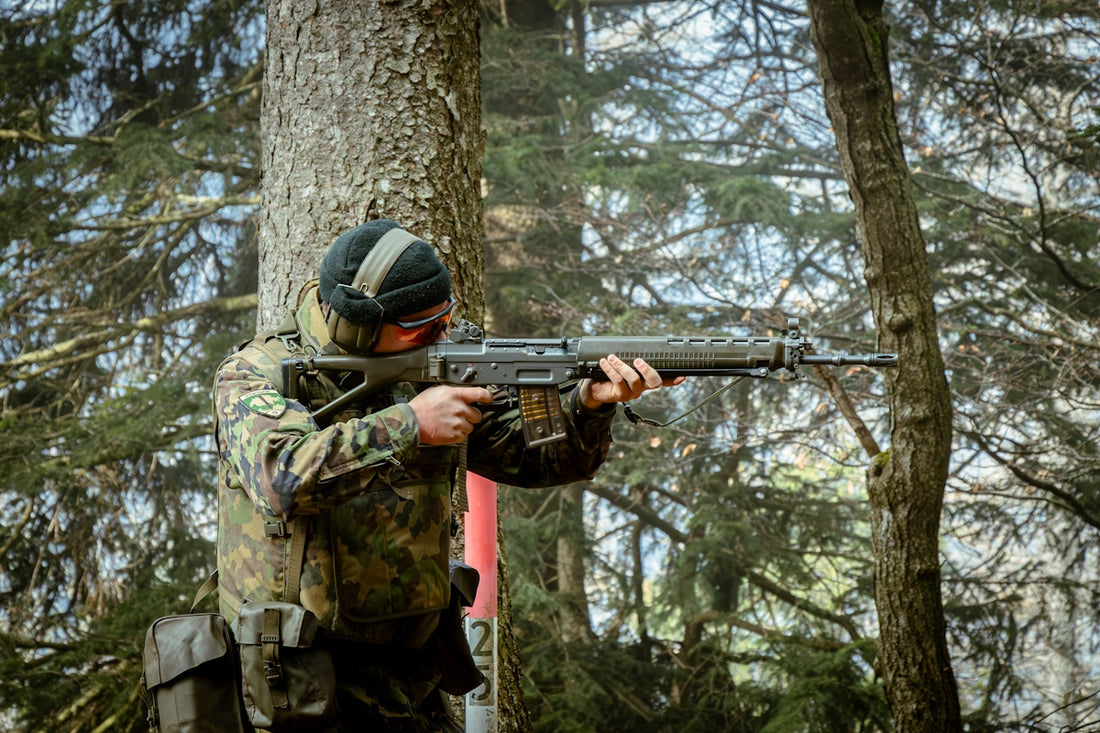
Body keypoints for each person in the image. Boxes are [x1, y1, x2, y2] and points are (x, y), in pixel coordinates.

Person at [213, 219, 680, 732]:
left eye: (446, 318)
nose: (441, 334)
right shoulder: (257, 372)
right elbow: (280, 479)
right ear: (361, 324)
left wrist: (589, 404)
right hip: (298, 682)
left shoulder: (430, 363)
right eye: (421, 326)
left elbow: (537, 459)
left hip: (411, 680)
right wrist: (411, 424)